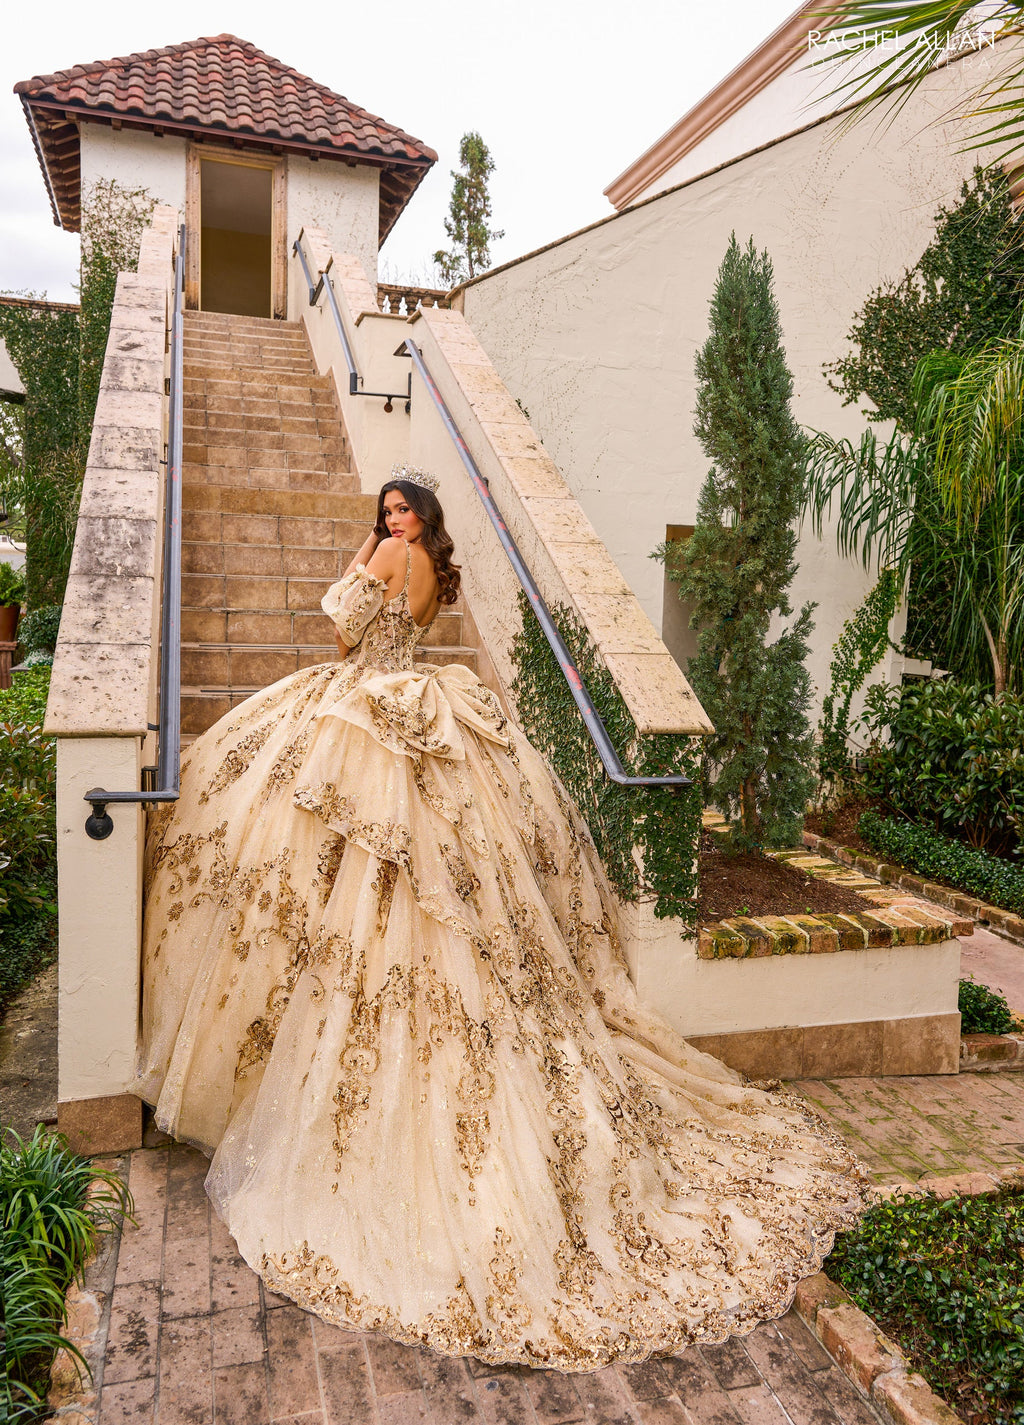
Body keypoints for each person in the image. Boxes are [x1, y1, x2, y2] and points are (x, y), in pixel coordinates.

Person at [136, 465, 867, 1373]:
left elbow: (340, 628)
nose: (392, 518)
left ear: (421, 519)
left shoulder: (396, 555)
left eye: (402, 509)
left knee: (380, 866)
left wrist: (363, 551)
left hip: (379, 707)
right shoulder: (431, 563)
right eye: (385, 510)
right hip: (406, 700)